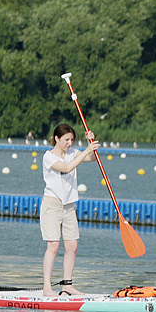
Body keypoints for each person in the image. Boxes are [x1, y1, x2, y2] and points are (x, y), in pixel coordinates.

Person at [41, 123, 98, 298]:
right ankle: (47, 288)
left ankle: (67, 285)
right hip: (52, 205)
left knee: (72, 246)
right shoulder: (48, 157)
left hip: (69, 206)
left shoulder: (73, 153)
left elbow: (93, 159)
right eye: (66, 140)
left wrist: (91, 144)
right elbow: (66, 168)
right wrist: (86, 150)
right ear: (57, 139)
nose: (69, 143)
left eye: (72, 140)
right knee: (53, 246)